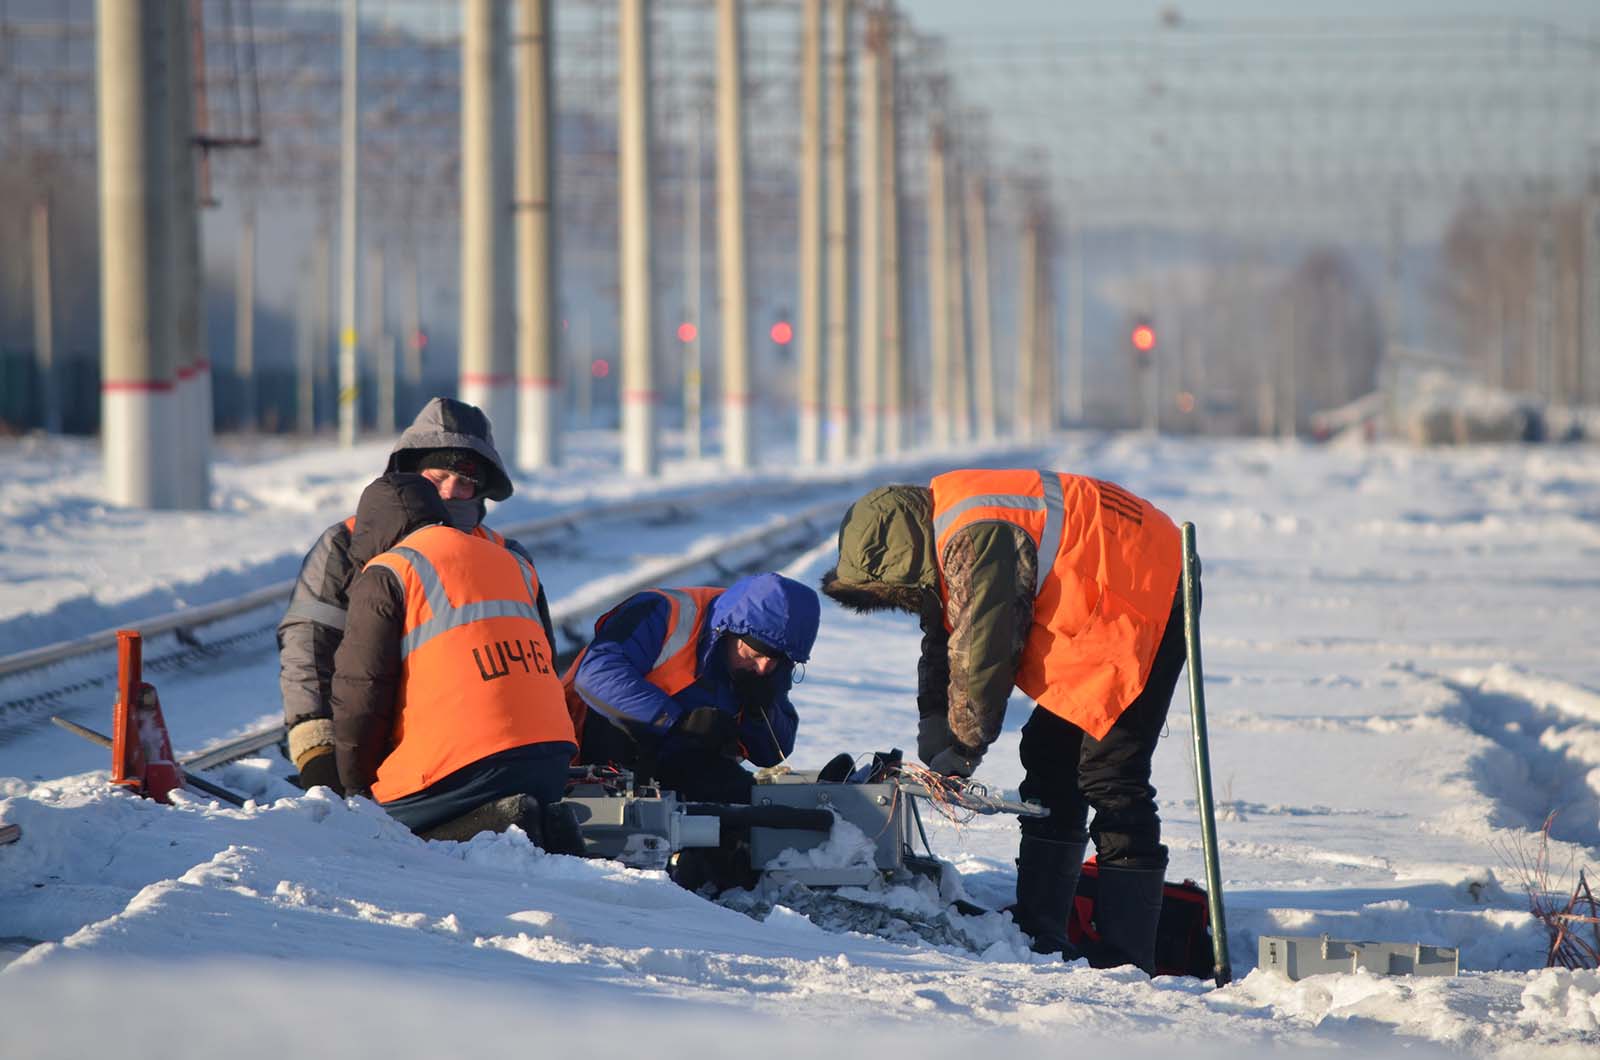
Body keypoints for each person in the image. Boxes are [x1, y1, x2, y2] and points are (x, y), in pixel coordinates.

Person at [819, 470, 1187, 974]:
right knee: (1048, 754)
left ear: (902, 560)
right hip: (1104, 594)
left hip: (1146, 592)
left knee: (1110, 773)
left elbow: (984, 654)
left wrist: (963, 750)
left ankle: (1126, 956)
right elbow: (944, 635)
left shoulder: (976, 535)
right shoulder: (947, 527)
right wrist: (934, 727)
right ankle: (1041, 927)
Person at [277, 397, 554, 795]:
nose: (450, 492)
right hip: (365, 740)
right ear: (410, 472)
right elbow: (309, 644)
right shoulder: (347, 544)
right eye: (438, 477)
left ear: (481, 490)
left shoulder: (504, 554)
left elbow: (535, 658)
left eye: (465, 483)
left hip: (466, 751)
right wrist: (317, 749)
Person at [330, 472, 576, 835]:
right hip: (552, 757)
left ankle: (502, 820)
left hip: (464, 770)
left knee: (386, 834)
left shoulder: (389, 572)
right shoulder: (515, 563)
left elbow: (361, 691)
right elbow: (546, 660)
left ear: (372, 529)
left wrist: (355, 787)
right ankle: (551, 825)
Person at [564, 573, 820, 805]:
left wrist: (758, 712)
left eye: (774, 659)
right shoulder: (663, 612)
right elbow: (596, 675)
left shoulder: (772, 662)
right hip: (587, 749)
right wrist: (677, 720)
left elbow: (774, 752)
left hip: (679, 761)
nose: (763, 667)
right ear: (732, 632)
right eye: (754, 654)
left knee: (741, 802)